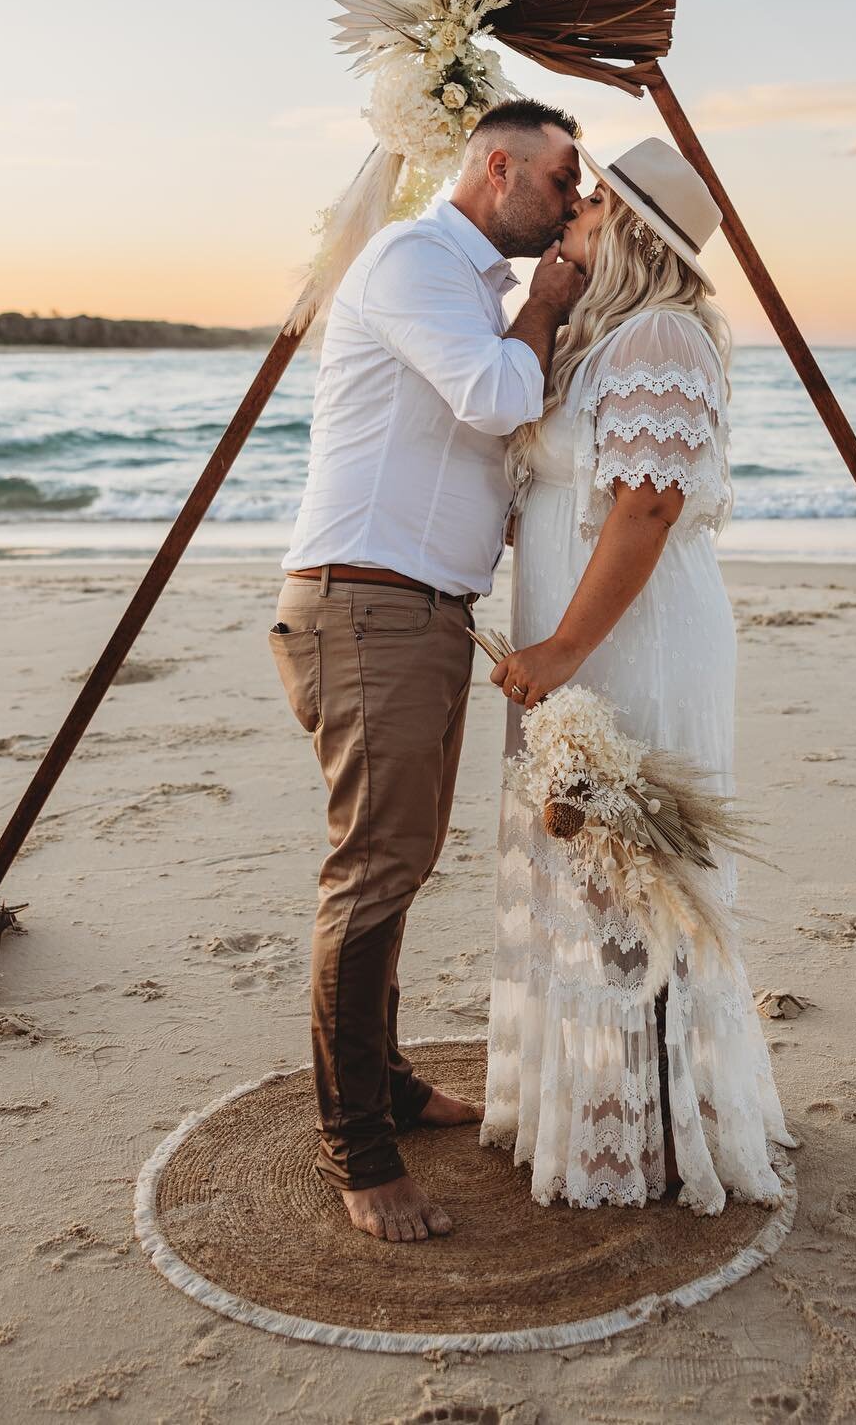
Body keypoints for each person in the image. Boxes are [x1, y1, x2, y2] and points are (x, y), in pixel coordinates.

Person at [271, 98, 587, 1242]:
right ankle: (357, 1145)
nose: (569, 203)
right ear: (495, 166)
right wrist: (550, 303)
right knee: (373, 870)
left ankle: (389, 1081)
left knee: (397, 864)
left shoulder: (470, 288)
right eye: (560, 180)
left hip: (418, 612)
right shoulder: (414, 258)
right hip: (368, 610)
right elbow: (501, 397)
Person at [481, 137, 797, 1213]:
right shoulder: (603, 337)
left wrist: (564, 646)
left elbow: (646, 505)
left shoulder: (660, 335)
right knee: (588, 864)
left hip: (635, 640)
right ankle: (611, 1112)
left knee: (633, 869)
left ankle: (657, 1131)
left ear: (631, 229)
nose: (569, 207)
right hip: (580, 635)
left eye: (590, 199)